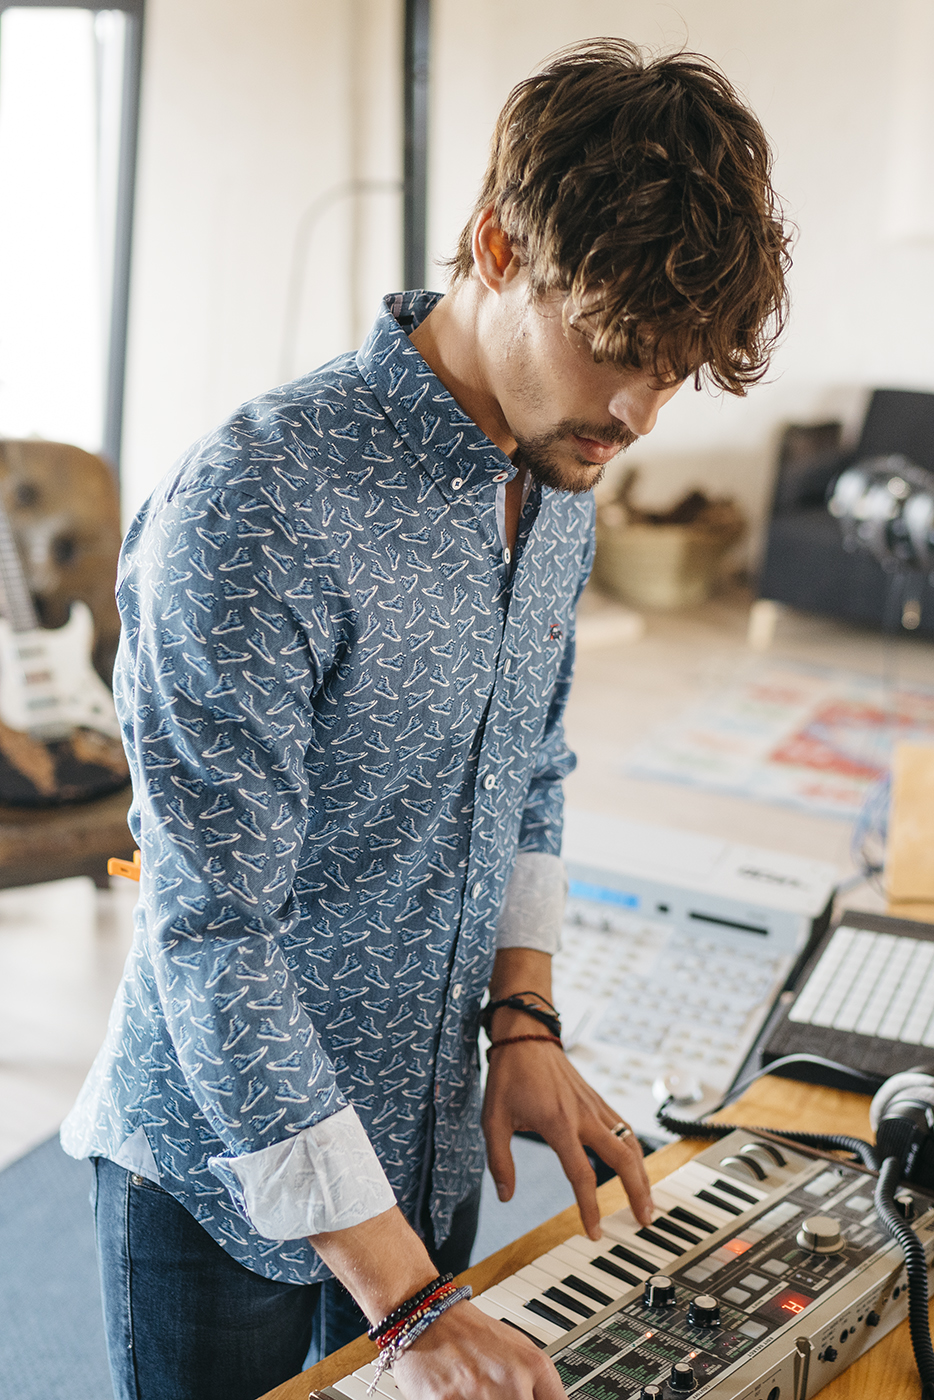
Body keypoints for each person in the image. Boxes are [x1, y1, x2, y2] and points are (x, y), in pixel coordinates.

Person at [62, 36, 789, 1400]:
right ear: (496, 246)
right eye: (615, 350)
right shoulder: (255, 506)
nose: (634, 413)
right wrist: (407, 1308)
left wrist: (524, 1022)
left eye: (673, 367)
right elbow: (215, 932)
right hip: (224, 1173)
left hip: (424, 1139)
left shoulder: (556, 472)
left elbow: (530, 771)